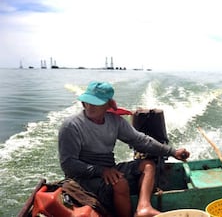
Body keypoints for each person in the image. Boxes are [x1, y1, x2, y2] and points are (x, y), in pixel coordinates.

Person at [58, 81, 190, 217]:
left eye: (96, 103)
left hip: (109, 170)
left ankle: (143, 207)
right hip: (82, 178)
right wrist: (101, 171)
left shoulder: (115, 121)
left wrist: (172, 152)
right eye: (87, 102)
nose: (90, 106)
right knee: (120, 183)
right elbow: (68, 165)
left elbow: (141, 141)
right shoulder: (71, 126)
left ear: (108, 104)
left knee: (148, 166)